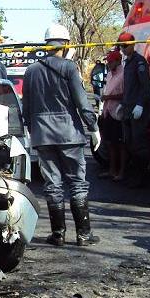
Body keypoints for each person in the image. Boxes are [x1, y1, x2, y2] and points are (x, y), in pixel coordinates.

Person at [22, 23, 100, 247]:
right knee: (77, 183)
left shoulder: (31, 70)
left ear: (46, 44)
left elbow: (26, 106)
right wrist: (93, 126)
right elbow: (82, 101)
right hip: (69, 135)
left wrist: (30, 129)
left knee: (52, 184)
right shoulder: (69, 68)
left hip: (42, 135)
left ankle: (58, 235)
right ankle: (83, 235)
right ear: (65, 45)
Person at [118, 31, 150, 189]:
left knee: (139, 145)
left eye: (125, 46)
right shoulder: (128, 63)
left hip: (137, 111)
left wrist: (140, 104)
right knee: (129, 143)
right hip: (127, 109)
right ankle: (132, 175)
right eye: (121, 47)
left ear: (132, 45)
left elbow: (145, 86)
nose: (123, 49)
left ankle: (141, 177)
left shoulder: (139, 62)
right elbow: (128, 87)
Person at [97, 49, 127, 181]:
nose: (108, 64)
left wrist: (109, 96)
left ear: (117, 61)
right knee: (110, 143)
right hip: (108, 111)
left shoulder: (124, 74)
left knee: (121, 145)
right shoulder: (109, 74)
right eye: (107, 62)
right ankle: (111, 170)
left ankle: (121, 172)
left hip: (118, 112)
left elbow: (126, 94)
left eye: (110, 62)